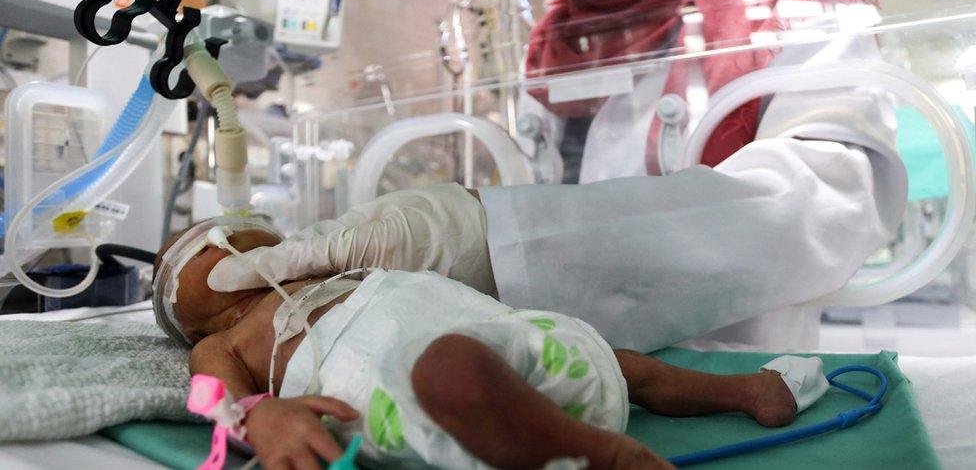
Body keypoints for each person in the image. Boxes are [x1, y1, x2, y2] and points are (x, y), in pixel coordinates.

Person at [208, 0, 908, 352]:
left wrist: (503, 240)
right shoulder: (557, 49)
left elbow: (836, 200)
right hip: (585, 373)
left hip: (745, 370)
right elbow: (542, 202)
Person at [160, 224, 821, 470]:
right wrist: (261, 414)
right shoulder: (225, 341)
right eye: (193, 248)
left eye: (225, 235)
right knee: (448, 371)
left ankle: (747, 389)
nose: (214, 243)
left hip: (532, 356)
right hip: (438, 405)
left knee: (612, 359)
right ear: (188, 322)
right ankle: (606, 454)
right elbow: (206, 392)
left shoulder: (332, 263)